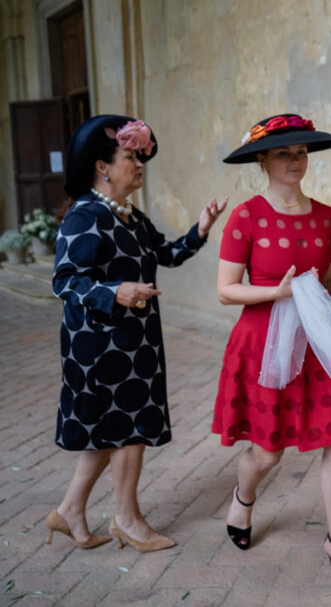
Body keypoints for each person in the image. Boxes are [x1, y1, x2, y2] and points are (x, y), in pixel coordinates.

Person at [213, 114, 331, 594]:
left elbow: (325, 284)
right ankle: (244, 497)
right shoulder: (246, 217)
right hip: (263, 345)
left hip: (320, 343)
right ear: (262, 159)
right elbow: (225, 291)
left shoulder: (326, 216)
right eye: (284, 153)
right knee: (267, 453)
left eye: (301, 152)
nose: (295, 161)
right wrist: (275, 294)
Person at [48, 115, 226, 552]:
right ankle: (127, 519)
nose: (140, 164)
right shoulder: (85, 216)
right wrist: (116, 291)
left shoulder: (129, 216)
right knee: (126, 429)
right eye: (130, 156)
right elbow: (65, 281)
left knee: (109, 432)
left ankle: (69, 511)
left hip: (135, 339)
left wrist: (200, 230)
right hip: (101, 343)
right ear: (102, 167)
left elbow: (165, 253)